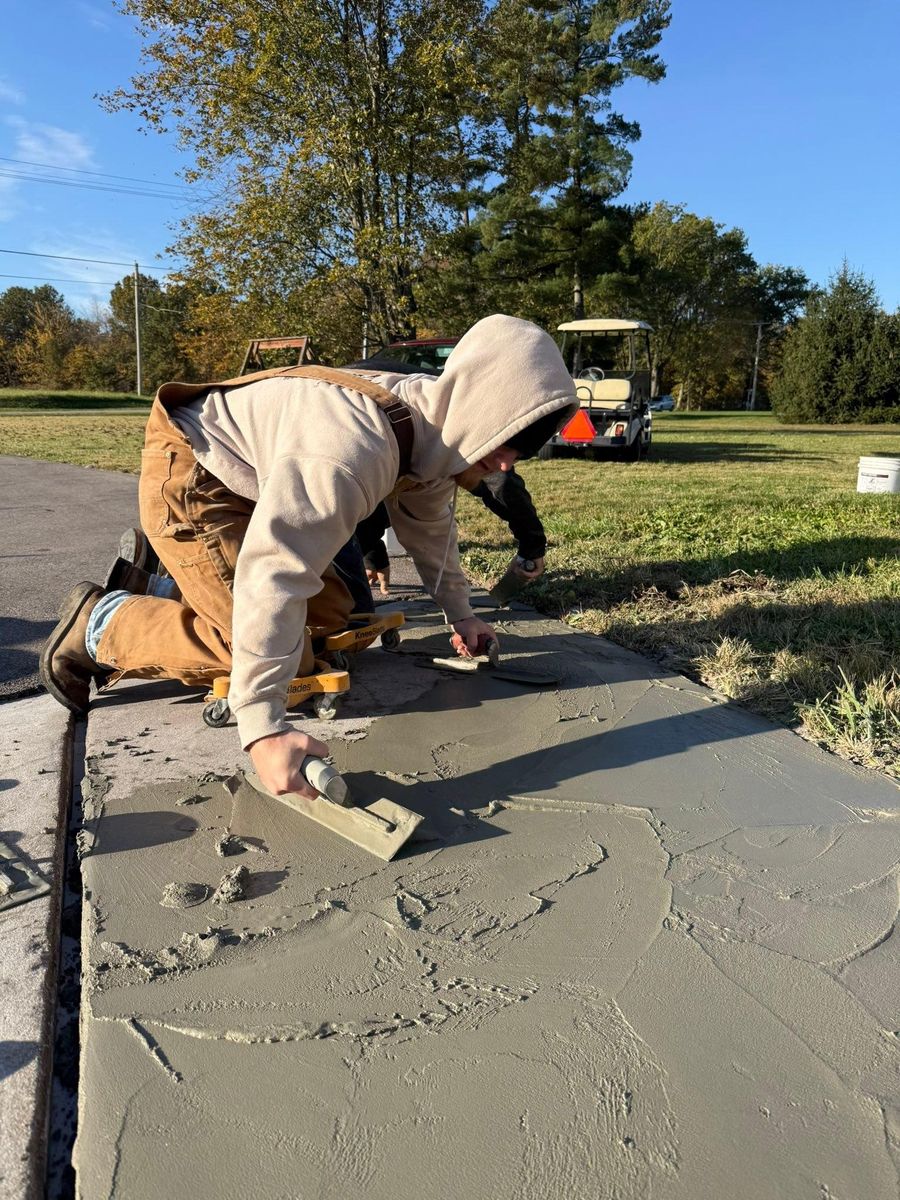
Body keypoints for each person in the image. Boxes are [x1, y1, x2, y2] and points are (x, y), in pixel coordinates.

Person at [40, 314, 576, 800]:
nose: (506, 466)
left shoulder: (439, 438)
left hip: (256, 479)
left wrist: (461, 614)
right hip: (197, 472)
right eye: (507, 442)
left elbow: (431, 533)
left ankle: (170, 585)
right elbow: (275, 572)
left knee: (333, 617)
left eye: (522, 452)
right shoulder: (353, 449)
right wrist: (262, 725)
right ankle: (99, 623)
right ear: (479, 408)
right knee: (278, 662)